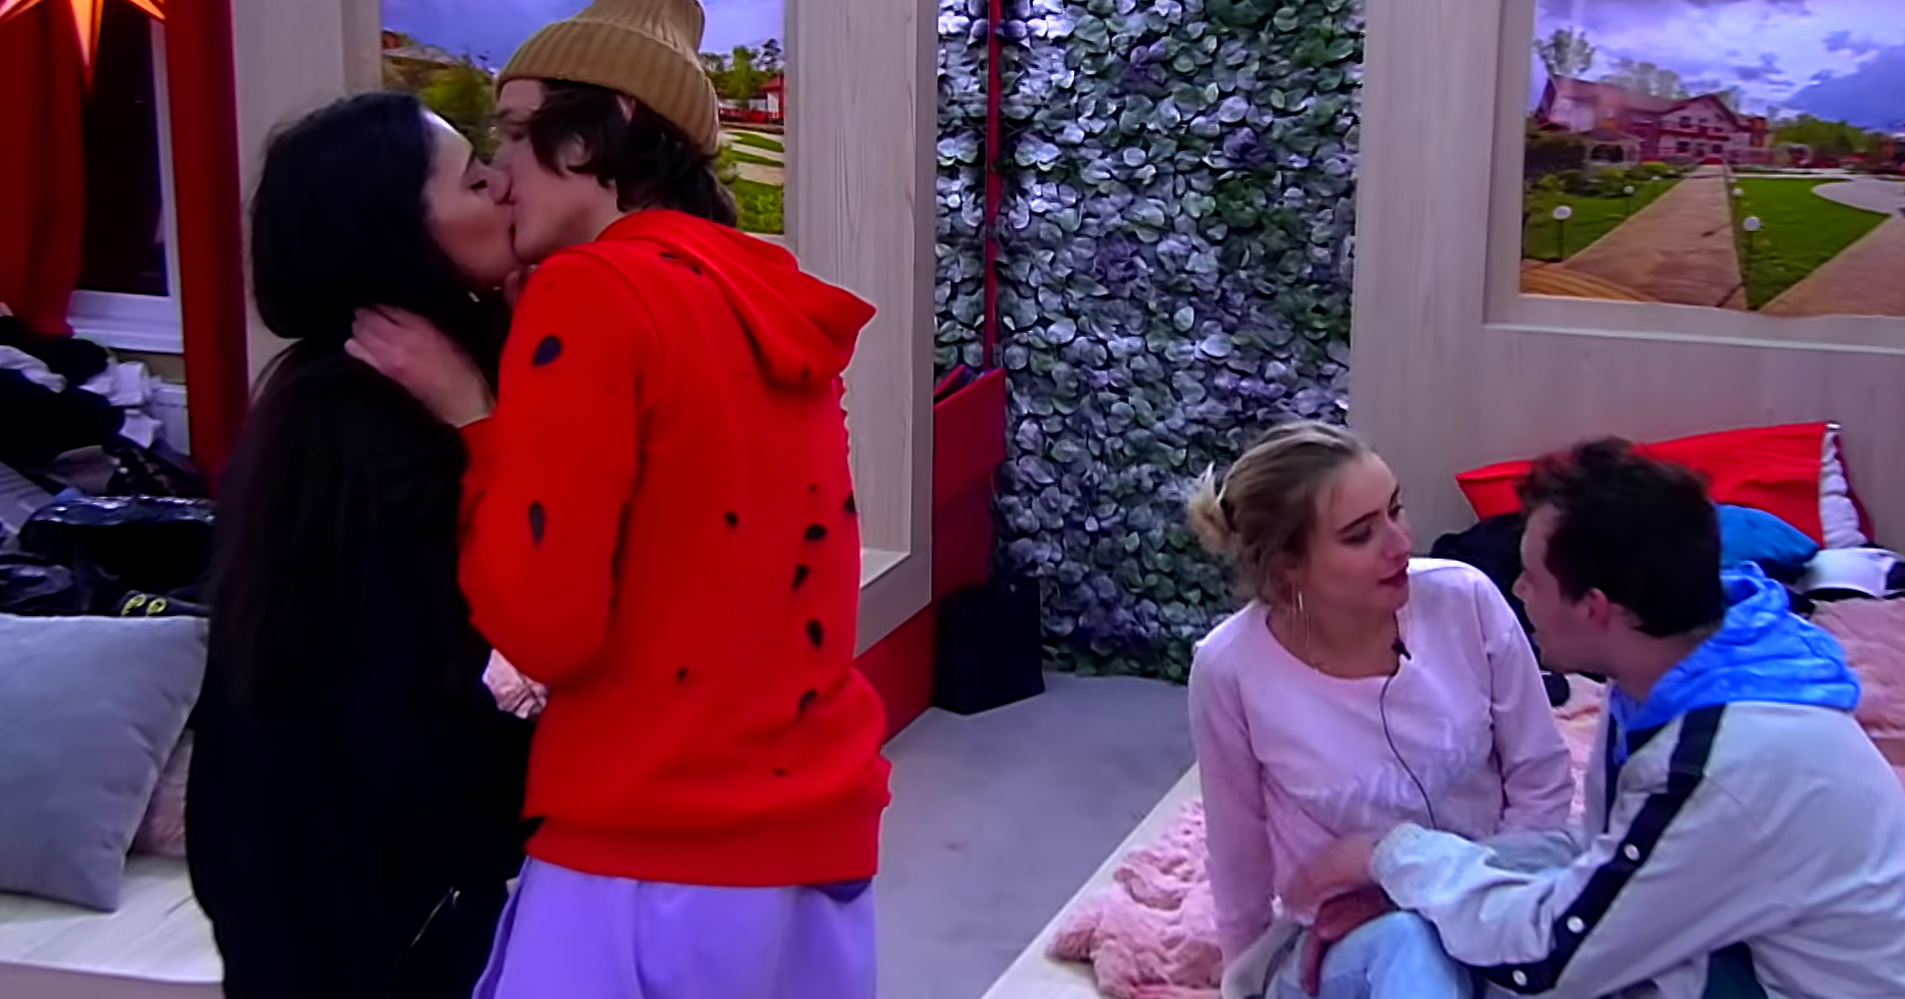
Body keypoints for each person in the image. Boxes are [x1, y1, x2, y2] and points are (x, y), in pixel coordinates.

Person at [345, 2, 893, 996]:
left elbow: (544, 624)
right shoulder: (765, 298)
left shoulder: (593, 291)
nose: (498, 173)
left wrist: (473, 417)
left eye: (516, 131)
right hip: (816, 837)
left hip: (653, 843)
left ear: (602, 134)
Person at [1297, 439, 1905, 998]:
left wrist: (1391, 854)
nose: (1518, 591)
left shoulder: (1721, 759)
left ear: (1594, 608)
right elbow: (1600, 856)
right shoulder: (1664, 678)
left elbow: (1549, 955)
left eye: (1532, 578)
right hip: (1741, 954)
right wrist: (1420, 890)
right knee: (1435, 937)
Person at [186, 92, 533, 999]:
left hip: (343, 902)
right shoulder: (360, 431)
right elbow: (428, 692)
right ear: (398, 234)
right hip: (371, 922)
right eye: (473, 179)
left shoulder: (328, 395)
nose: (503, 184)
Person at [1184, 421, 1574, 999]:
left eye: (1396, 510)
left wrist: (1445, 893)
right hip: (1339, 935)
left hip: (1491, 894)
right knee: (1410, 944)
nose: (1400, 543)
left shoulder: (1465, 598)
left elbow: (1540, 783)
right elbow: (1238, 855)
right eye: (1360, 534)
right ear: (1289, 563)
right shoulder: (1229, 668)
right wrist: (1245, 973)